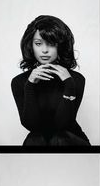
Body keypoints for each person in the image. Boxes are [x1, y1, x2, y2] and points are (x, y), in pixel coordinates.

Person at [11, 15, 90, 146]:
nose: (45, 50)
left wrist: (69, 84)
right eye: (38, 44)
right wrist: (29, 86)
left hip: (70, 139)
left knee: (59, 139)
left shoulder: (76, 79)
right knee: (33, 141)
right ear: (31, 46)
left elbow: (63, 124)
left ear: (61, 46)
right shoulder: (19, 82)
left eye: (51, 44)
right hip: (40, 140)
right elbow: (32, 126)